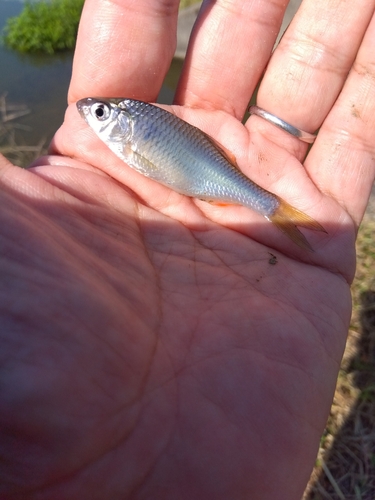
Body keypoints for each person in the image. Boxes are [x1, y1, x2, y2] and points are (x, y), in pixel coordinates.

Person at [1, 0, 374, 498]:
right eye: (100, 111)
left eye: (103, 112)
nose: (94, 115)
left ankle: (275, 210)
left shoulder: (132, 129)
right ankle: (277, 211)